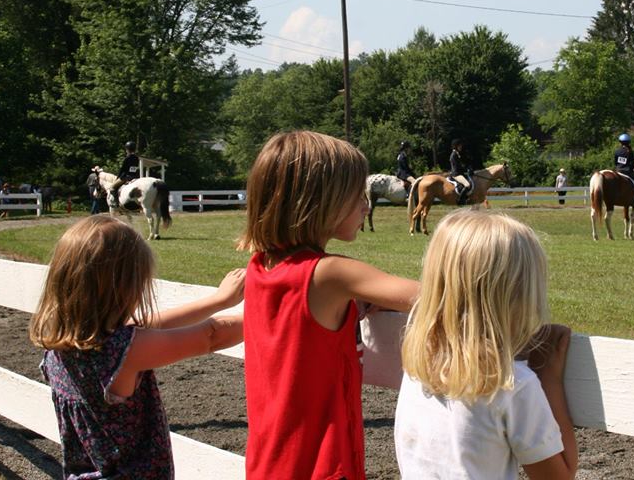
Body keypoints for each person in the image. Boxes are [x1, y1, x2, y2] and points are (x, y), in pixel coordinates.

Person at [238, 130, 420, 480]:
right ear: (323, 202)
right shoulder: (331, 274)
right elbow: (436, 295)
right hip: (323, 464)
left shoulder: (260, 266)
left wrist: (355, 307)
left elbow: (301, 325)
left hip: (270, 462)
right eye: (357, 197)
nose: (366, 206)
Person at [29, 216, 245, 479]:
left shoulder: (61, 345)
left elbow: (149, 326)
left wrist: (218, 300)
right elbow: (212, 336)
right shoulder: (122, 350)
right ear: (123, 288)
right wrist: (280, 312)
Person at [395, 209, 578, 479]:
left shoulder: (417, 364)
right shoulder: (512, 385)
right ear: (518, 297)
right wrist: (550, 379)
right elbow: (558, 477)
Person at [614, 133, 634, 202]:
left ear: (620, 142)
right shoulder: (630, 151)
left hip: (618, 170)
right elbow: (632, 163)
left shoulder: (617, 151)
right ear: (629, 142)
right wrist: (631, 169)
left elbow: (615, 162)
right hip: (627, 171)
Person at [448, 138, 473, 205]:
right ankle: (460, 201)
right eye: (459, 146)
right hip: (456, 174)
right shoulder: (453, 155)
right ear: (456, 146)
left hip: (460, 173)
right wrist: (465, 170)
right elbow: (457, 166)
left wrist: (469, 168)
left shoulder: (458, 154)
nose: (461, 147)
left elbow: (464, 163)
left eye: (461, 145)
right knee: (467, 185)